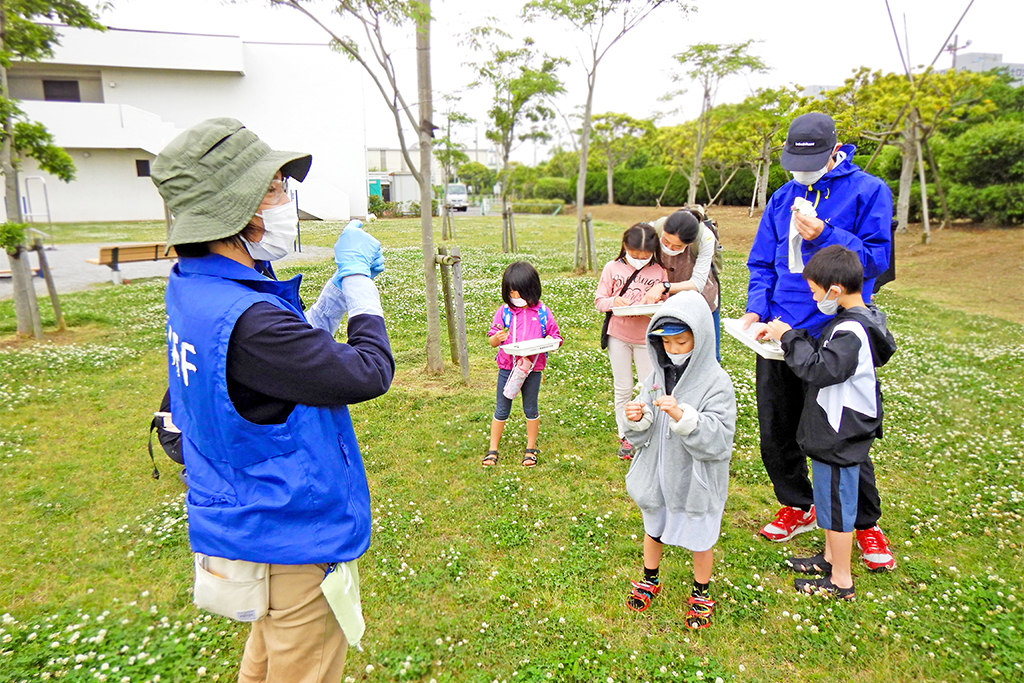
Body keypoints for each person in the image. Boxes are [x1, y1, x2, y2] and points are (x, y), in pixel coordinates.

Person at [153, 118, 394, 683]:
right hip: (293, 535)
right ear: (239, 214)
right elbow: (368, 370)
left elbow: (274, 363)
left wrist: (331, 296)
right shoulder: (252, 320)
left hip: (250, 518)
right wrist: (359, 283)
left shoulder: (197, 288)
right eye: (276, 188)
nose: (288, 199)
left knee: (266, 664)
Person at [740, 112, 896, 571]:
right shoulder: (781, 196)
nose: (800, 172)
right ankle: (798, 502)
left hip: (833, 327)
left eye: (809, 163)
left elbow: (876, 260)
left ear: (834, 151)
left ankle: (862, 522)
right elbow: (761, 262)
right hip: (780, 330)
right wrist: (756, 309)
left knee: (839, 432)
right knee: (777, 423)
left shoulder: (869, 191)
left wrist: (825, 234)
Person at [760, 246, 897, 598]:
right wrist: (797, 336)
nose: (813, 298)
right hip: (833, 431)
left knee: (836, 506)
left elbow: (821, 369)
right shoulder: (853, 321)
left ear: (834, 290)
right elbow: (824, 354)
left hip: (840, 433)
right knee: (829, 497)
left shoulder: (852, 330)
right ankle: (829, 557)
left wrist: (788, 338)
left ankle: (841, 579)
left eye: (815, 292)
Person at [621, 291, 736, 628]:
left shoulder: (717, 383)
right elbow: (643, 435)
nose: (672, 350)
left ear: (700, 338)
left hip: (694, 484)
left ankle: (701, 592)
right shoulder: (655, 378)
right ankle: (649, 577)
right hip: (657, 479)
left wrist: (685, 417)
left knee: (700, 536)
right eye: (666, 343)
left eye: (681, 342)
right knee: (653, 527)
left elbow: (719, 439)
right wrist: (636, 418)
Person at [595, 223, 668, 460]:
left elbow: (665, 306)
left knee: (650, 386)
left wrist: (653, 307)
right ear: (625, 246)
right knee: (623, 388)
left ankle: (647, 430)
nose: (640, 259)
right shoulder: (612, 268)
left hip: (646, 337)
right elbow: (600, 301)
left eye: (645, 256)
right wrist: (615, 302)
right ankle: (625, 434)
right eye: (635, 255)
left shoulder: (659, 272)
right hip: (619, 336)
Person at [484, 261, 563, 467]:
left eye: (520, 293)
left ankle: (531, 448)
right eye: (512, 293)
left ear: (532, 290)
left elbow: (555, 337)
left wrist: (550, 343)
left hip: (533, 368)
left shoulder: (543, 312)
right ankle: (493, 449)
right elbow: (492, 340)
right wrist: (498, 338)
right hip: (507, 368)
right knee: (501, 408)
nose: (516, 298)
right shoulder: (504, 312)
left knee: (531, 407)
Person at [644, 207, 722, 359]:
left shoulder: (705, 238)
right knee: (667, 351)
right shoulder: (654, 228)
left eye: (677, 246)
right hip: (667, 300)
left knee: (708, 355)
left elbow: (698, 283)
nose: (669, 248)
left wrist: (664, 287)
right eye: (665, 241)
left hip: (702, 299)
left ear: (690, 242)